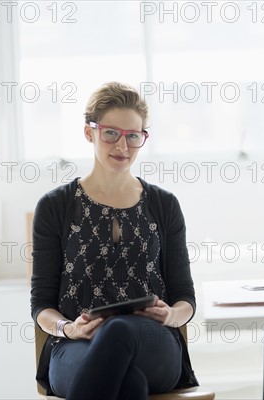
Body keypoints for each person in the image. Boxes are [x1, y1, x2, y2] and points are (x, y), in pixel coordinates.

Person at [30, 82, 198, 400]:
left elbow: (185, 297)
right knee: (127, 383)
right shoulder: (55, 206)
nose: (122, 145)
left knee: (117, 331)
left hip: (153, 342)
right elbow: (41, 304)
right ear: (89, 132)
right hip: (76, 345)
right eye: (111, 133)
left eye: (133, 136)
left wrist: (171, 316)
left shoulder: (164, 205)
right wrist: (69, 328)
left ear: (142, 138)